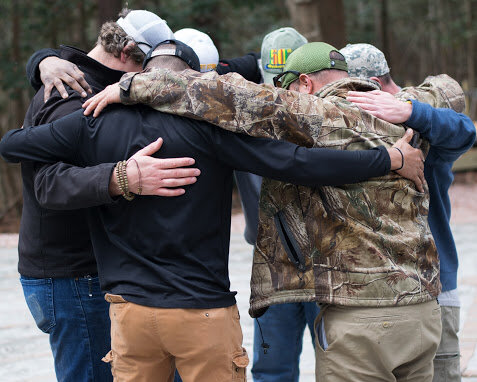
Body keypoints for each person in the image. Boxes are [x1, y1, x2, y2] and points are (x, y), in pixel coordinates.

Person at [0, 40, 418, 382]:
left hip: (130, 316)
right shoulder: (208, 129)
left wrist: (115, 172)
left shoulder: (92, 123)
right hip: (200, 313)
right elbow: (297, 163)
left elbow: (14, 145)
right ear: (191, 81)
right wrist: (389, 160)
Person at [15, 9, 196, 382]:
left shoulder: (86, 81)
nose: (148, 78)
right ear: (127, 51)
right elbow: (48, 184)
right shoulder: (71, 92)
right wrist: (120, 178)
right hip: (73, 275)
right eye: (147, 65)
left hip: (92, 270)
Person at [342, 42, 476, 382]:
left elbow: (465, 132)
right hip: (365, 295)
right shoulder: (347, 125)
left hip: (434, 288)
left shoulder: (422, 119)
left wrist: (410, 113)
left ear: (374, 83)